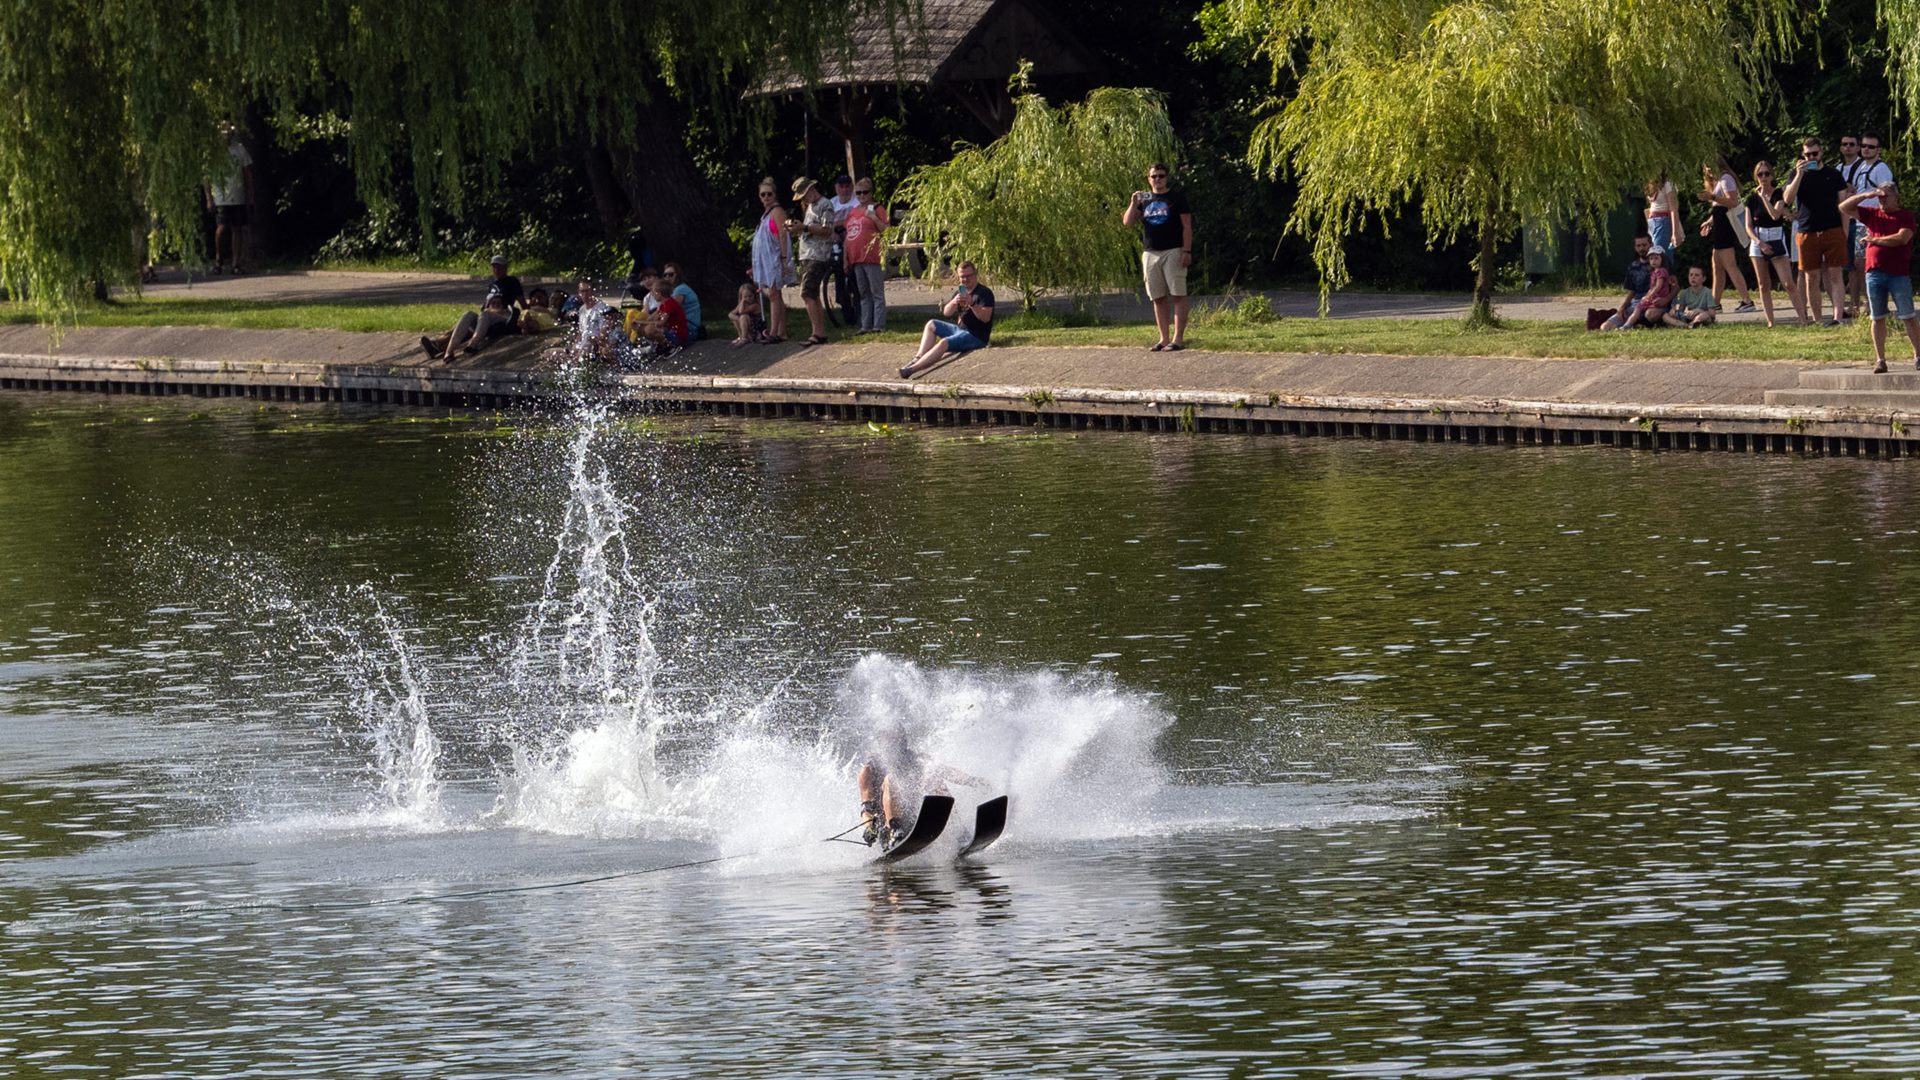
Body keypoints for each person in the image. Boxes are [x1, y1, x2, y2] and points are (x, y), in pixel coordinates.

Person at [1840, 180, 1920, 373]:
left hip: (1898, 274)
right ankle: (1880, 359)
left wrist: (1874, 240)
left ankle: (1918, 355)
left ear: (1896, 196)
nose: (1882, 201)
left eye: (1886, 197)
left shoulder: (1905, 216)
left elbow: (1901, 238)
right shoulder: (1872, 214)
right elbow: (1844, 207)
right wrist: (1866, 196)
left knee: (1907, 315)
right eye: (1880, 198)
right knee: (1877, 317)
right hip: (1874, 272)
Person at [855, 728, 984, 848]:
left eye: (896, 738)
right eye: (888, 738)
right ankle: (896, 833)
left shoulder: (914, 759)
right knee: (891, 779)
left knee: (932, 776)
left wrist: (971, 781)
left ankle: (958, 830)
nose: (893, 742)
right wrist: (869, 828)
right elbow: (866, 809)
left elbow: (943, 771)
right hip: (886, 830)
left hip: (915, 822)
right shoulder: (868, 771)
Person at [1122, 162, 1193, 351]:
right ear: (1149, 179)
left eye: (1161, 176)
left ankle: (1178, 339)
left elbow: (1187, 225)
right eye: (1154, 176)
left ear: (1166, 178)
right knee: (1158, 297)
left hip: (1173, 250)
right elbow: (1128, 222)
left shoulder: (1176, 198)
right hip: (1151, 252)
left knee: (1178, 293)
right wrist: (1133, 203)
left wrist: (1187, 250)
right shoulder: (1144, 200)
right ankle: (1163, 339)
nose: (1158, 179)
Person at [1782, 136, 1851, 326]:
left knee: (1835, 275)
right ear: (1802, 155)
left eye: (1815, 153)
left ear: (1821, 152)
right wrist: (1798, 175)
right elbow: (1787, 199)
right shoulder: (1796, 174)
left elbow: (1843, 204)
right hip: (1807, 232)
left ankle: (1837, 317)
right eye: (1807, 154)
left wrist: (1844, 230)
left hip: (1832, 229)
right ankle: (1818, 319)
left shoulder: (1834, 174)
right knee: (1811, 277)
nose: (1811, 157)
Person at [420, 255, 526, 360]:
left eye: (499, 267)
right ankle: (448, 351)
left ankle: (471, 344)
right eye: (494, 267)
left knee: (484, 316)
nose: (496, 270)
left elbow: (523, 304)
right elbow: (484, 307)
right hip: (487, 314)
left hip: (502, 314)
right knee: (469, 315)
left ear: (506, 268)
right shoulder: (492, 285)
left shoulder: (512, 282)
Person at [900, 261, 993, 378]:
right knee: (931, 324)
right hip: (960, 330)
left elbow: (986, 318)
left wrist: (972, 303)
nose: (965, 279)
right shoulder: (959, 292)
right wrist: (954, 302)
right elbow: (946, 313)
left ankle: (911, 370)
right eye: (962, 277)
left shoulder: (984, 293)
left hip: (975, 336)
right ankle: (918, 358)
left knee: (944, 342)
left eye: (968, 276)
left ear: (975, 275)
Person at [1746, 161, 1810, 327]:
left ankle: (1802, 318)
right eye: (1760, 174)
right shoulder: (1751, 199)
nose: (1764, 177)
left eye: (1767, 174)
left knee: (1788, 282)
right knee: (1763, 283)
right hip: (1758, 239)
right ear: (1756, 177)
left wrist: (1764, 198)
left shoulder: (1778, 194)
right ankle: (1770, 321)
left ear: (1772, 176)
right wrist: (1759, 243)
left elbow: (1775, 215)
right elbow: (1748, 226)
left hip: (1775, 236)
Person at [1695, 157, 1754, 312]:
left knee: (1730, 264)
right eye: (1706, 167)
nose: (1708, 170)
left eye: (1710, 166)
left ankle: (1747, 300)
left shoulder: (1726, 179)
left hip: (1726, 226)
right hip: (1719, 224)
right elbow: (1718, 209)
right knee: (1717, 265)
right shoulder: (1718, 182)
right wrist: (1710, 221)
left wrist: (1712, 197)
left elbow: (1732, 202)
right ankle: (1715, 302)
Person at [1848, 134, 1895, 317]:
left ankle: (1876, 304)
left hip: (1873, 222)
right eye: (1865, 146)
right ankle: (1868, 301)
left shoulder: (1881, 168)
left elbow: (1887, 193)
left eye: (1871, 147)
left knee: (1871, 264)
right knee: (1860, 265)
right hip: (1860, 221)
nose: (1867, 149)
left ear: (1878, 150)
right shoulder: (1861, 167)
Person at [791, 176, 836, 346]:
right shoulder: (809, 207)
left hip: (818, 255)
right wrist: (799, 229)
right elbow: (809, 229)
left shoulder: (825, 205)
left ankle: (817, 332)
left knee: (806, 292)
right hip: (807, 254)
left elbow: (826, 230)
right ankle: (819, 332)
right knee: (813, 293)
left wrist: (804, 227)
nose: (802, 199)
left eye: (803, 195)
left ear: (811, 189)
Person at [843, 179, 889, 333]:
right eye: (858, 193)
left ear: (871, 192)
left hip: (872, 256)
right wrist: (845, 258)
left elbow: (887, 230)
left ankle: (878, 325)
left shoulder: (877, 208)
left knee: (876, 292)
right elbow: (847, 235)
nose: (862, 195)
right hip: (856, 258)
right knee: (863, 293)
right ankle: (865, 325)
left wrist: (874, 218)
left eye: (865, 192)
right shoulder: (853, 211)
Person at [749, 177, 791, 344]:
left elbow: (782, 234)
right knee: (775, 295)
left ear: (775, 195)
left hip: (775, 258)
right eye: (763, 195)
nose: (766, 197)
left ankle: (774, 331)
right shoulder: (765, 215)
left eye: (769, 194)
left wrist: (783, 257)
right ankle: (781, 332)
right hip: (766, 259)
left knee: (774, 293)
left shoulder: (777, 211)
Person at [207, 127, 253, 274]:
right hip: (220, 196)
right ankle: (218, 259)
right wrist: (209, 198)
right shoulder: (212, 152)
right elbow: (206, 177)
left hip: (237, 195)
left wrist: (250, 194)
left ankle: (236, 263)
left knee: (237, 228)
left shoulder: (239, 149)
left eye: (228, 135)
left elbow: (247, 173)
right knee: (221, 227)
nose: (225, 138)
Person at [1594, 234, 1654, 330]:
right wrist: (1623, 306)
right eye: (1638, 246)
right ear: (1635, 248)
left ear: (1651, 245)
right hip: (1635, 304)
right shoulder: (1633, 266)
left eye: (1644, 245)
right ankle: (1632, 324)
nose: (1642, 248)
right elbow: (1631, 291)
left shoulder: (1658, 264)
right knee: (1605, 327)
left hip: (1651, 303)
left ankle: (1633, 324)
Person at [1611, 249, 1676, 329]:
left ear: (1662, 259)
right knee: (1638, 309)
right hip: (1653, 298)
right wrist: (1646, 296)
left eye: (1656, 258)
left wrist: (1649, 296)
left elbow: (1658, 286)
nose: (1653, 261)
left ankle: (1627, 325)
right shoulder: (1654, 272)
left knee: (1639, 309)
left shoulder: (1661, 271)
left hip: (1658, 298)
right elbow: (1652, 287)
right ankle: (1627, 325)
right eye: (1651, 258)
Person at [828, 174, 860, 327]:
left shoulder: (856, 201)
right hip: (837, 243)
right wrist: (833, 230)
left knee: (854, 275)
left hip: (853, 241)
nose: (845, 189)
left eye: (848, 186)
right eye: (841, 186)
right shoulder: (832, 203)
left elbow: (853, 221)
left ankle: (858, 307)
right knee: (839, 273)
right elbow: (826, 225)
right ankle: (844, 307)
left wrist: (837, 223)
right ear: (836, 188)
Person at [1645, 172, 1684, 254]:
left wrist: (1675, 232)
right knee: (1655, 253)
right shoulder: (1651, 184)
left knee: (1659, 253)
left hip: (1663, 222)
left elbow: (1673, 209)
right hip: (1653, 222)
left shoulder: (1668, 184)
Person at [662, 262, 702, 340]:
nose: (667, 277)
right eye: (665, 275)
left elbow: (670, 312)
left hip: (689, 329)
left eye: (671, 274)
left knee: (654, 330)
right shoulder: (674, 290)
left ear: (678, 275)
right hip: (685, 328)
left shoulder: (680, 289)